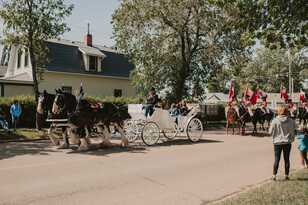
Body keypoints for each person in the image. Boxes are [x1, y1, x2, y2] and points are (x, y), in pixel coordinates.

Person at [269, 106, 301, 181]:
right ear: (287, 112)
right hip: (287, 142)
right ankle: (286, 176)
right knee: (287, 159)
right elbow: (298, 129)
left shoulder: (275, 120)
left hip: (277, 142)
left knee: (277, 159)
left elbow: (270, 131)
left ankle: (274, 176)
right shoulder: (291, 120)